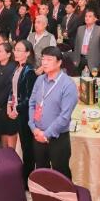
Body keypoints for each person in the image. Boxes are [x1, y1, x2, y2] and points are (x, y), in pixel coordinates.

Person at [28, 46, 78, 178]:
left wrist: (46, 134)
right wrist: (33, 128)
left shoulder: (68, 85)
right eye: (43, 59)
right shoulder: (40, 80)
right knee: (41, 171)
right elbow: (32, 104)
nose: (44, 63)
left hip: (57, 138)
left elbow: (65, 116)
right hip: (38, 135)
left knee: (60, 174)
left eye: (49, 59)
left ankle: (63, 193)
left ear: (59, 62)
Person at [7, 39, 37, 185]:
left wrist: (16, 110)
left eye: (19, 50)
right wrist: (9, 105)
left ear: (28, 53)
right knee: (22, 144)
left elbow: (30, 98)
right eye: (15, 49)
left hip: (25, 114)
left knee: (27, 147)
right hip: (17, 109)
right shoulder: (18, 67)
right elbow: (13, 90)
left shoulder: (29, 71)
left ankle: (28, 180)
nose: (16, 52)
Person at [72, 10, 100, 74]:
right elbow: (76, 46)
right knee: (78, 79)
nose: (87, 18)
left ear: (95, 19)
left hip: (94, 62)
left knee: (94, 79)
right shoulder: (80, 29)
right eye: (86, 16)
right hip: (80, 60)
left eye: (90, 16)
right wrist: (75, 59)